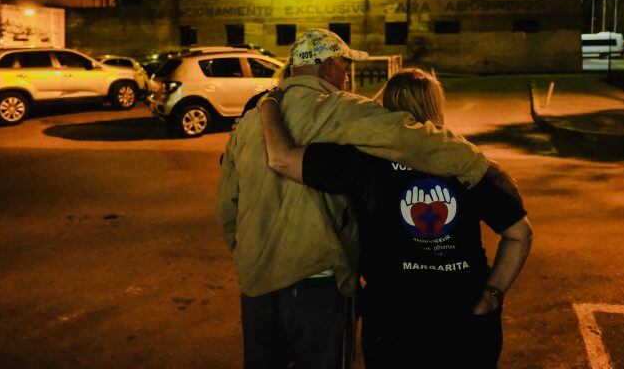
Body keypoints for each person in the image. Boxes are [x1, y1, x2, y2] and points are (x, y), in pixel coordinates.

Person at [216, 29, 517, 369]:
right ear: (330, 66)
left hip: (256, 284)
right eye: (345, 66)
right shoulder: (340, 110)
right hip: (318, 279)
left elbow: (228, 203)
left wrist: (245, 254)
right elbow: (412, 136)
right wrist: (481, 165)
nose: (346, 76)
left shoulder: (252, 119)